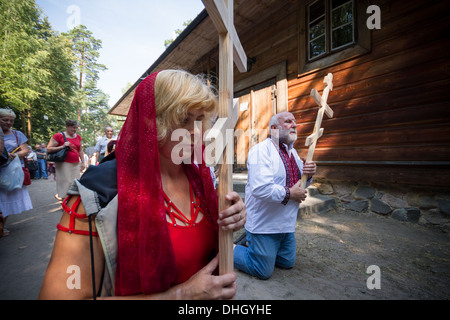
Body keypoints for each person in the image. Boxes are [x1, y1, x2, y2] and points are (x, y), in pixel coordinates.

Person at [39, 70, 246, 300]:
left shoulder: (201, 179)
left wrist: (230, 216)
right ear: (152, 121)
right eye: (183, 119)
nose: (197, 132)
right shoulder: (99, 194)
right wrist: (181, 295)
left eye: (199, 120)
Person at [233, 111, 317, 280]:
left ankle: (254, 245)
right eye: (288, 121)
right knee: (262, 270)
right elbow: (260, 188)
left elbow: (300, 184)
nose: (295, 124)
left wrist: (309, 175)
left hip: (286, 225)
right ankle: (227, 248)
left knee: (287, 262)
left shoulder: (293, 154)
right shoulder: (260, 151)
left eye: (295, 121)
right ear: (274, 129)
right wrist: (290, 194)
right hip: (264, 224)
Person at [0, 108, 33, 237]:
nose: (8, 123)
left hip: (11, 171)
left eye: (11, 121)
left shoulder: (17, 134)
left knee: (6, 198)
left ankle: (2, 225)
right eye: (5, 120)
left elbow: (25, 151)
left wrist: (13, 155)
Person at [47, 120, 85, 201]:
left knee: (75, 182)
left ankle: (72, 201)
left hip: (75, 163)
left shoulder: (78, 137)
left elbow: (80, 150)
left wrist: (83, 162)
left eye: (76, 128)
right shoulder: (58, 136)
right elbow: (49, 149)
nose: (75, 130)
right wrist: (62, 146)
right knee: (65, 183)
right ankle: (65, 201)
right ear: (67, 126)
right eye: (73, 128)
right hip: (63, 163)